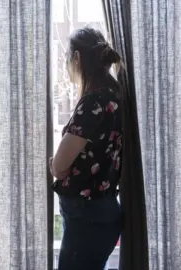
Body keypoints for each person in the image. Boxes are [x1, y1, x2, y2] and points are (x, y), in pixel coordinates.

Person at [49, 27, 123, 270]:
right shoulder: (115, 95)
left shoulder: (93, 102)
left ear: (78, 58)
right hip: (105, 211)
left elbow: (60, 166)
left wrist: (54, 164)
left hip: (86, 217)